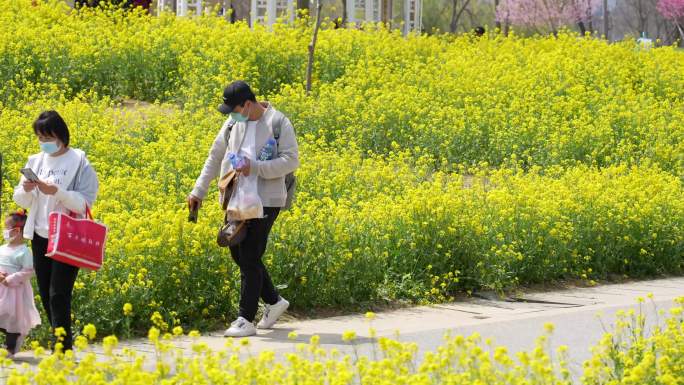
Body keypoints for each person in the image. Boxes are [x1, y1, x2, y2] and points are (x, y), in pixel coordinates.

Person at [188, 80, 299, 337]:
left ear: (247, 105)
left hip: (267, 199)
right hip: (236, 196)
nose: (232, 115)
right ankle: (273, 301)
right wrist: (198, 191)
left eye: (234, 109)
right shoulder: (232, 123)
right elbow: (215, 156)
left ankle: (245, 318)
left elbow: (291, 160)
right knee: (237, 252)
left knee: (249, 254)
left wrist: (256, 168)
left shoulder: (278, 123)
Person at [13, 110, 99, 351]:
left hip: (67, 236)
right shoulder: (35, 161)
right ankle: (60, 340)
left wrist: (58, 193)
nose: (44, 143)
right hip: (40, 235)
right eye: (40, 138)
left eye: (47, 137)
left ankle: (61, 348)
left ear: (61, 135)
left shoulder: (80, 162)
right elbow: (20, 200)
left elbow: (85, 204)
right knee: (46, 292)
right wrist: (28, 189)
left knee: (58, 294)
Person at [0, 209, 41, 357]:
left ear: (17, 231)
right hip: (1, 289)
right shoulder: (2, 248)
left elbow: (29, 271)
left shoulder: (24, 251)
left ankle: (10, 348)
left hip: (15, 292)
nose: (4, 231)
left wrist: (10, 279)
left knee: (13, 319)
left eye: (7, 228)